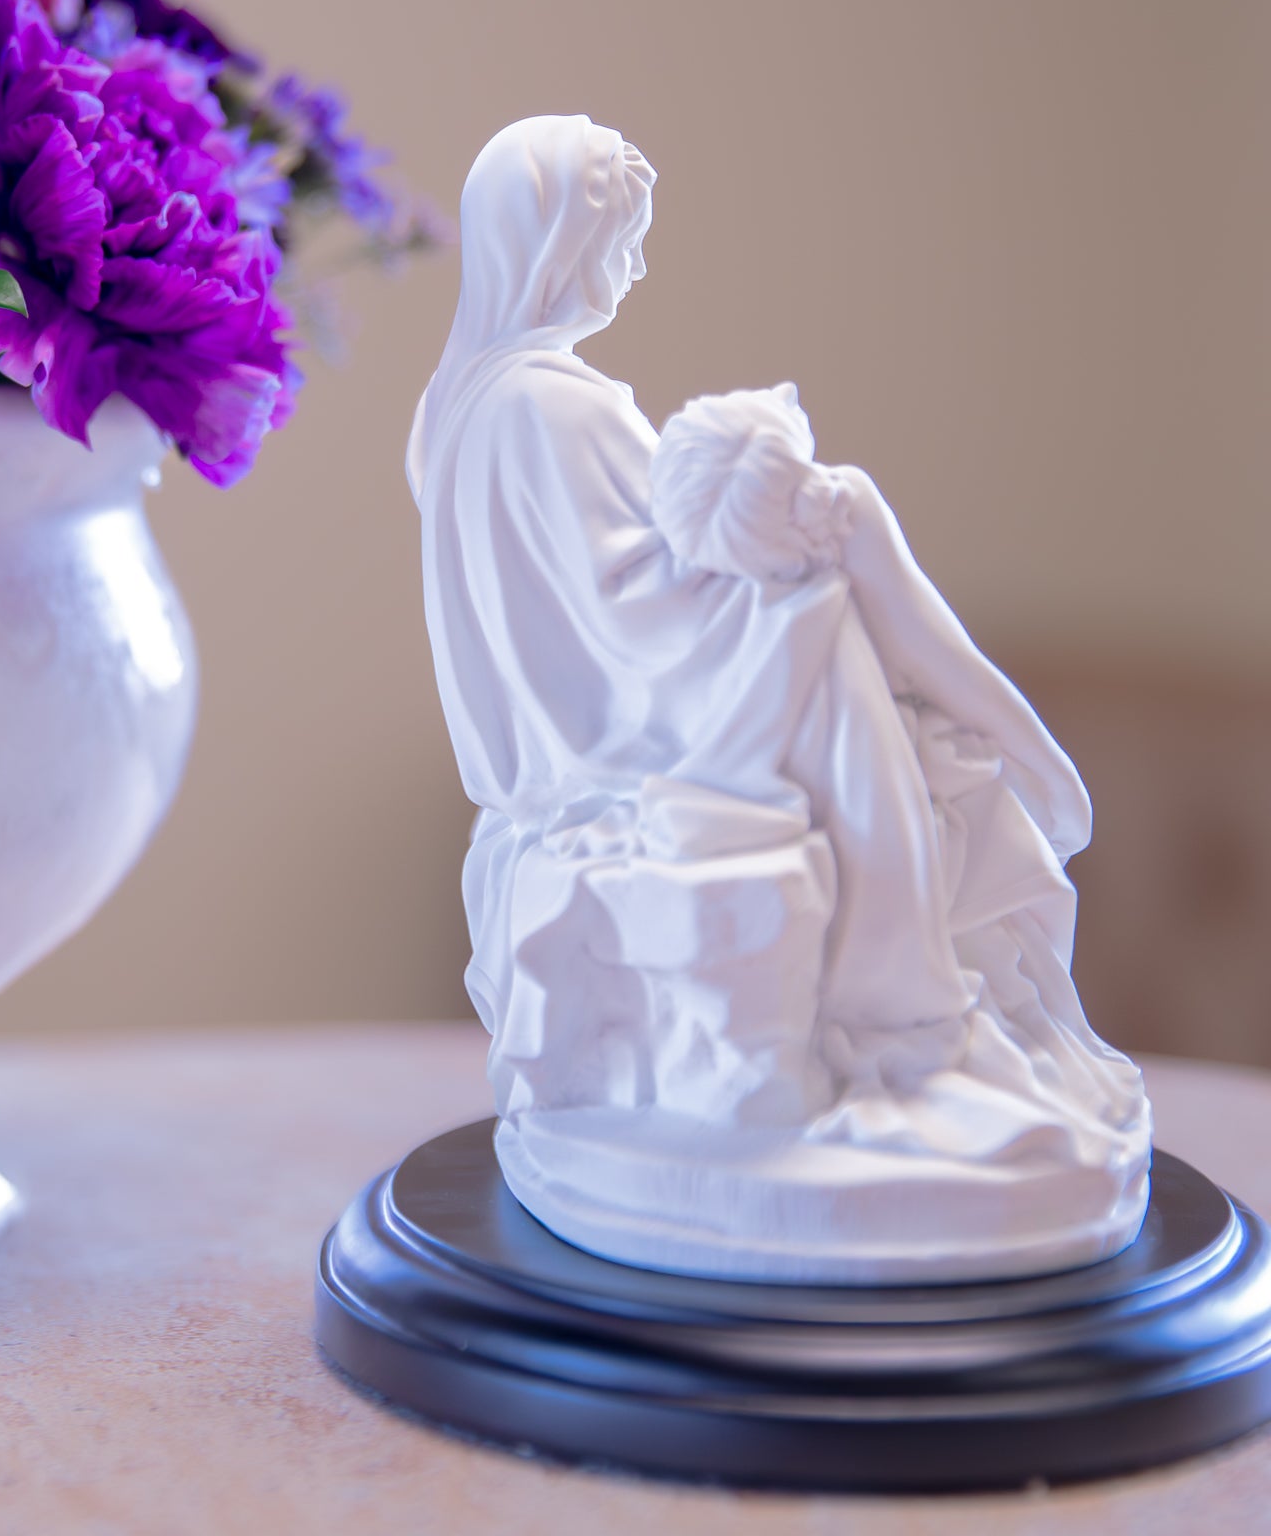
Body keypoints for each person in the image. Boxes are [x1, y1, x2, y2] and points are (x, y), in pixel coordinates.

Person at [408, 115, 1149, 1282]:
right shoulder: (559, 402)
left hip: (573, 724)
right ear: (559, 240)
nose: (633, 266)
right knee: (825, 627)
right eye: (621, 237)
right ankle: (907, 1002)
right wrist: (808, 541)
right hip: (622, 717)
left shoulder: (453, 409)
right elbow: (635, 604)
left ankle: (919, 983)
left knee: (829, 611)